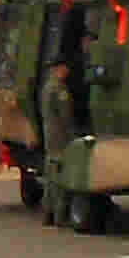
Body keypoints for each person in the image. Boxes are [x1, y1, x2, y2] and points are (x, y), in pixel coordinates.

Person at [35, 60, 79, 226]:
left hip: (50, 134)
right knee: (60, 175)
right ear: (59, 68)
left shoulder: (47, 87)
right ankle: (60, 215)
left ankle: (47, 212)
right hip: (61, 136)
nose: (67, 71)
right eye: (65, 67)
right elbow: (66, 115)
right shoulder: (60, 88)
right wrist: (74, 134)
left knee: (51, 173)